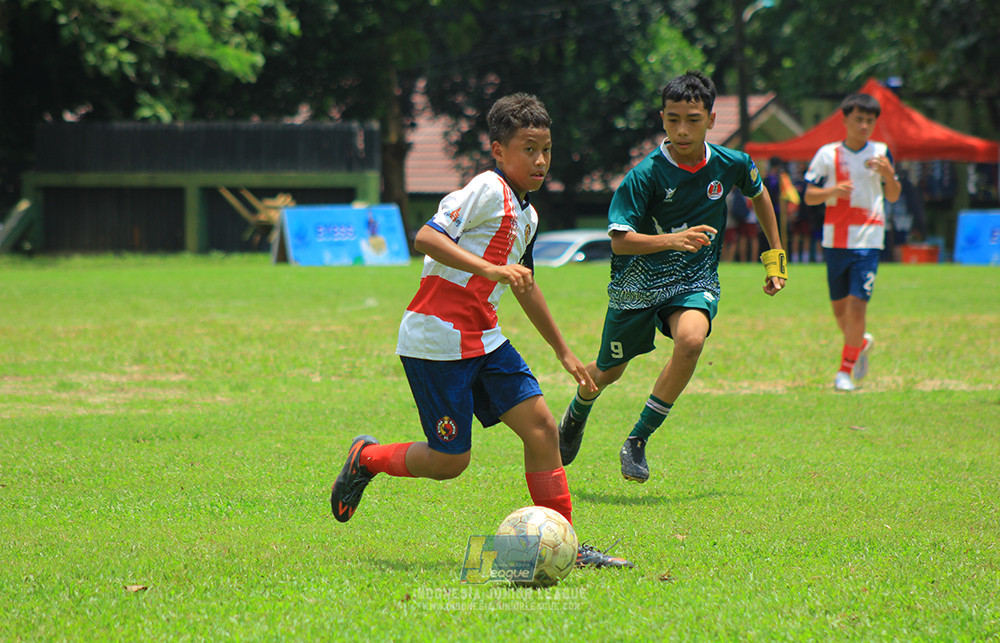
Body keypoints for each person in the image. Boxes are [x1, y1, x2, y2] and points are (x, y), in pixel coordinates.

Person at [330, 93, 632, 568]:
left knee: (542, 428)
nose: (540, 160)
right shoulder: (486, 189)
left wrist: (564, 352)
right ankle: (367, 458)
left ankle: (565, 545)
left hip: (485, 339)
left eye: (546, 149)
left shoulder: (528, 216)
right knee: (451, 462)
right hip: (436, 340)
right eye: (528, 149)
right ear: (498, 150)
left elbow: (526, 284)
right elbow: (427, 237)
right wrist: (491, 270)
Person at [557, 71, 786, 483]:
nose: (682, 130)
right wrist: (673, 239)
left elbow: (758, 193)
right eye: (674, 118)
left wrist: (775, 256)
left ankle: (638, 439)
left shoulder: (731, 164)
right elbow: (620, 243)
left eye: (693, 119)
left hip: (694, 281)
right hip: (636, 287)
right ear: (662, 118)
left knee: (692, 340)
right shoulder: (644, 175)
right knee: (609, 371)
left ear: (712, 120)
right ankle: (576, 412)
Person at [802, 92, 901, 392]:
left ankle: (844, 371)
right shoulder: (827, 154)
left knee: (858, 306)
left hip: (869, 238)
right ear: (844, 119)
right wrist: (831, 191)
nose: (863, 126)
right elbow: (808, 195)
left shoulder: (881, 152)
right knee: (840, 311)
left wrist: (888, 174)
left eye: (869, 121)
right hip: (835, 240)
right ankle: (860, 344)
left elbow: (894, 194)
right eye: (858, 119)